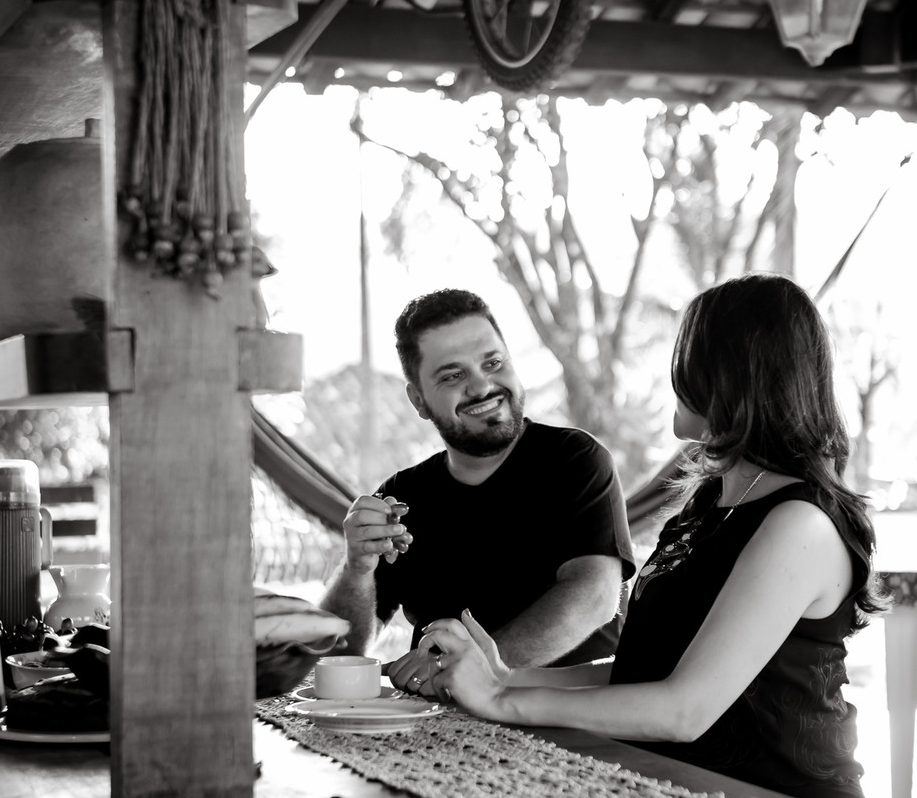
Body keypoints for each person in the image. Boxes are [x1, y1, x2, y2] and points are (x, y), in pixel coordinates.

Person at [421, 273, 886, 798]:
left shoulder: (800, 523)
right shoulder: (710, 504)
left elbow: (683, 709)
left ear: (730, 374)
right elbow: (641, 671)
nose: (675, 372)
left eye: (689, 355)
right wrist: (505, 677)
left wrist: (501, 702)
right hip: (672, 781)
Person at [321, 288, 637, 696]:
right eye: (452, 375)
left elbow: (595, 596)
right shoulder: (401, 497)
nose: (481, 385)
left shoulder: (575, 459)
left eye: (493, 363)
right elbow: (340, 654)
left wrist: (467, 669)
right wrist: (357, 569)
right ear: (418, 400)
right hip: (438, 724)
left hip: (571, 720)